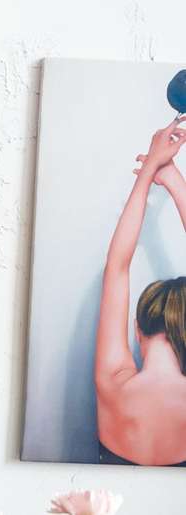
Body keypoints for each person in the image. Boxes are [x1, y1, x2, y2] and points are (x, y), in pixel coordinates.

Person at [95, 117, 186, 466]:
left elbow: (116, 267)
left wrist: (149, 170)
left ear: (138, 327)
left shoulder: (112, 382)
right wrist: (175, 182)